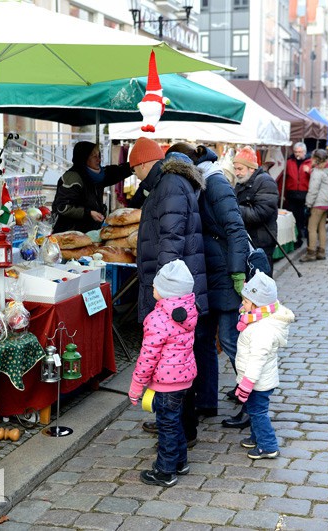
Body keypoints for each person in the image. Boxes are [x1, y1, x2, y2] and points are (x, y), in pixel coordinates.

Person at [165, 142, 249, 429]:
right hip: (207, 274)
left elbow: (235, 228)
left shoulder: (214, 183)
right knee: (203, 339)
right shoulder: (199, 183)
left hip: (224, 273)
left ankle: (253, 405)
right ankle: (206, 401)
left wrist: (237, 272)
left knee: (230, 341)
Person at [128, 259, 198, 488]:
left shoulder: (158, 319)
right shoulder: (188, 312)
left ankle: (165, 471)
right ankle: (180, 462)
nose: (152, 288)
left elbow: (148, 357)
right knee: (174, 421)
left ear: (168, 292)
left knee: (167, 426)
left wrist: (137, 386)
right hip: (184, 379)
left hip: (166, 383)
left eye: (157, 286)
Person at [129, 137, 208, 324]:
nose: (137, 176)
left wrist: (164, 289)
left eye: (134, 170)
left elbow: (171, 237)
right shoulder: (167, 182)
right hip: (172, 283)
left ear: (142, 164)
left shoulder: (169, 184)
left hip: (170, 289)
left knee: (173, 347)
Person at [234, 271, 295, 459]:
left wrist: (246, 384)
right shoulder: (259, 318)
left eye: (245, 302)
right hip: (257, 380)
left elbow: (256, 359)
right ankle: (256, 437)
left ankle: (268, 446)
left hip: (257, 382)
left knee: (258, 412)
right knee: (254, 411)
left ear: (256, 304)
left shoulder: (262, 329)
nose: (241, 305)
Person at [51, 141, 132, 234]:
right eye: (94, 156)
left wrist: (132, 167)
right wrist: (88, 213)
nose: (98, 160)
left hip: (90, 231)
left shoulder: (98, 175)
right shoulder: (73, 177)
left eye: (99, 156)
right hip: (70, 232)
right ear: (84, 158)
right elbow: (62, 207)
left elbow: (115, 172)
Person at [234, 146, 279, 273]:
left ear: (252, 168)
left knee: (262, 281)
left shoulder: (265, 182)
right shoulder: (242, 182)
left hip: (261, 240)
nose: (236, 172)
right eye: (235, 168)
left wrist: (234, 209)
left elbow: (260, 213)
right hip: (248, 240)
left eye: (240, 169)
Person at [300, 149, 328, 262]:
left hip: (318, 203)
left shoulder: (317, 172)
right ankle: (321, 251)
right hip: (327, 202)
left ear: (316, 159)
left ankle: (311, 253)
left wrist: (308, 204)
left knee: (312, 228)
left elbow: (313, 190)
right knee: (322, 228)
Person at [280, 142, 313, 248]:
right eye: (296, 152)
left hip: (305, 194)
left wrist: (309, 172)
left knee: (303, 217)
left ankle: (304, 235)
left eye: (300, 152)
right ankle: (296, 239)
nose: (298, 154)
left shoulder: (310, 163)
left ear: (304, 152)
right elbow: (285, 178)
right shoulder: (289, 162)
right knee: (293, 217)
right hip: (292, 194)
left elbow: (316, 179)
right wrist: (282, 193)